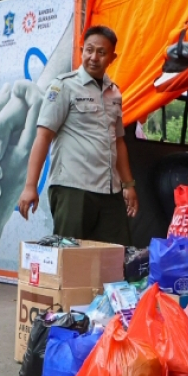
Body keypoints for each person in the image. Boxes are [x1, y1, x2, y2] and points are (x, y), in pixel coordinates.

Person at [17, 25, 139, 244]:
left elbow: (118, 141)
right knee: (70, 257)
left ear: (112, 57)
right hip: (73, 189)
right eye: (89, 50)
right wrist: (30, 186)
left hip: (110, 191)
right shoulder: (63, 86)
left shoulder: (114, 92)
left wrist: (128, 185)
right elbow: (43, 137)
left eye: (101, 52)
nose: (94, 57)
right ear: (82, 51)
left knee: (115, 257)